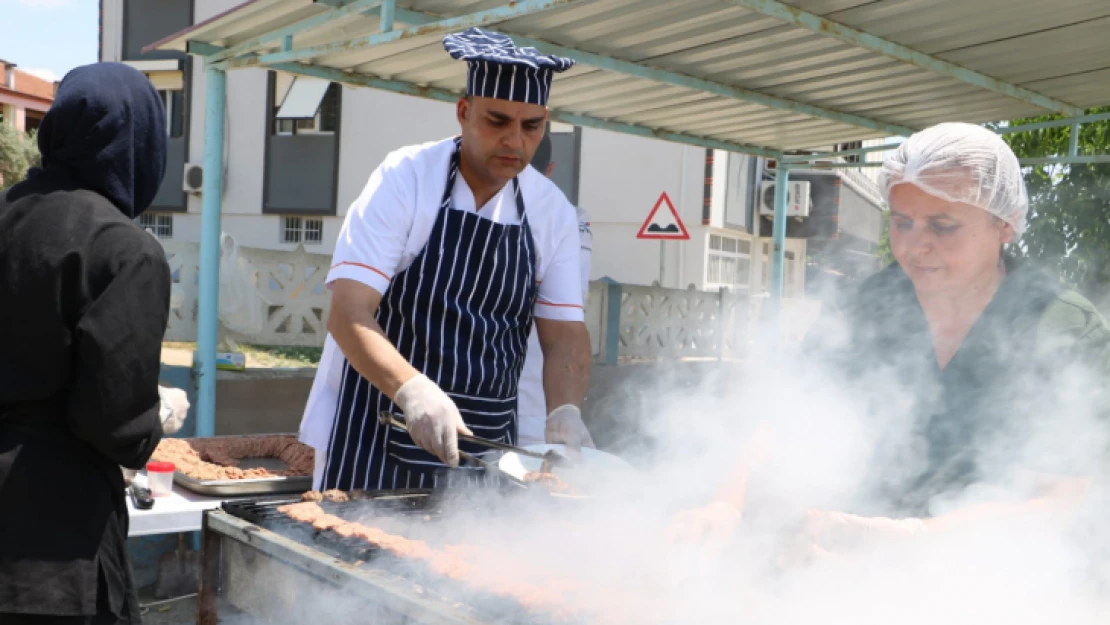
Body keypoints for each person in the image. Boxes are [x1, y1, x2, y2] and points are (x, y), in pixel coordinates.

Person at [669, 122, 1110, 557]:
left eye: (942, 225)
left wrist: (913, 539)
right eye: (902, 223)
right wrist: (727, 503)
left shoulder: (1061, 328)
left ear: (1005, 225)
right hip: (859, 559)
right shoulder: (870, 304)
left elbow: (1058, 503)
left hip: (999, 578)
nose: (915, 246)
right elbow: (784, 419)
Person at [299, 27, 594, 492]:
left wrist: (565, 411)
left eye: (531, 126)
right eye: (497, 121)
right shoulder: (406, 179)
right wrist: (412, 390)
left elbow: (564, 336)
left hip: (487, 448)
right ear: (463, 112)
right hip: (379, 430)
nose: (515, 141)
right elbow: (348, 312)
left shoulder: (551, 212)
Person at [0, 63, 173, 624]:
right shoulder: (124, 250)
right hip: (53, 556)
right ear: (138, 144)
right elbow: (115, 423)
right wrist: (157, 413)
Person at [516, 132, 594, 447]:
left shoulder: (569, 220)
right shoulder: (572, 218)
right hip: (542, 402)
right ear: (550, 169)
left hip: (539, 402)